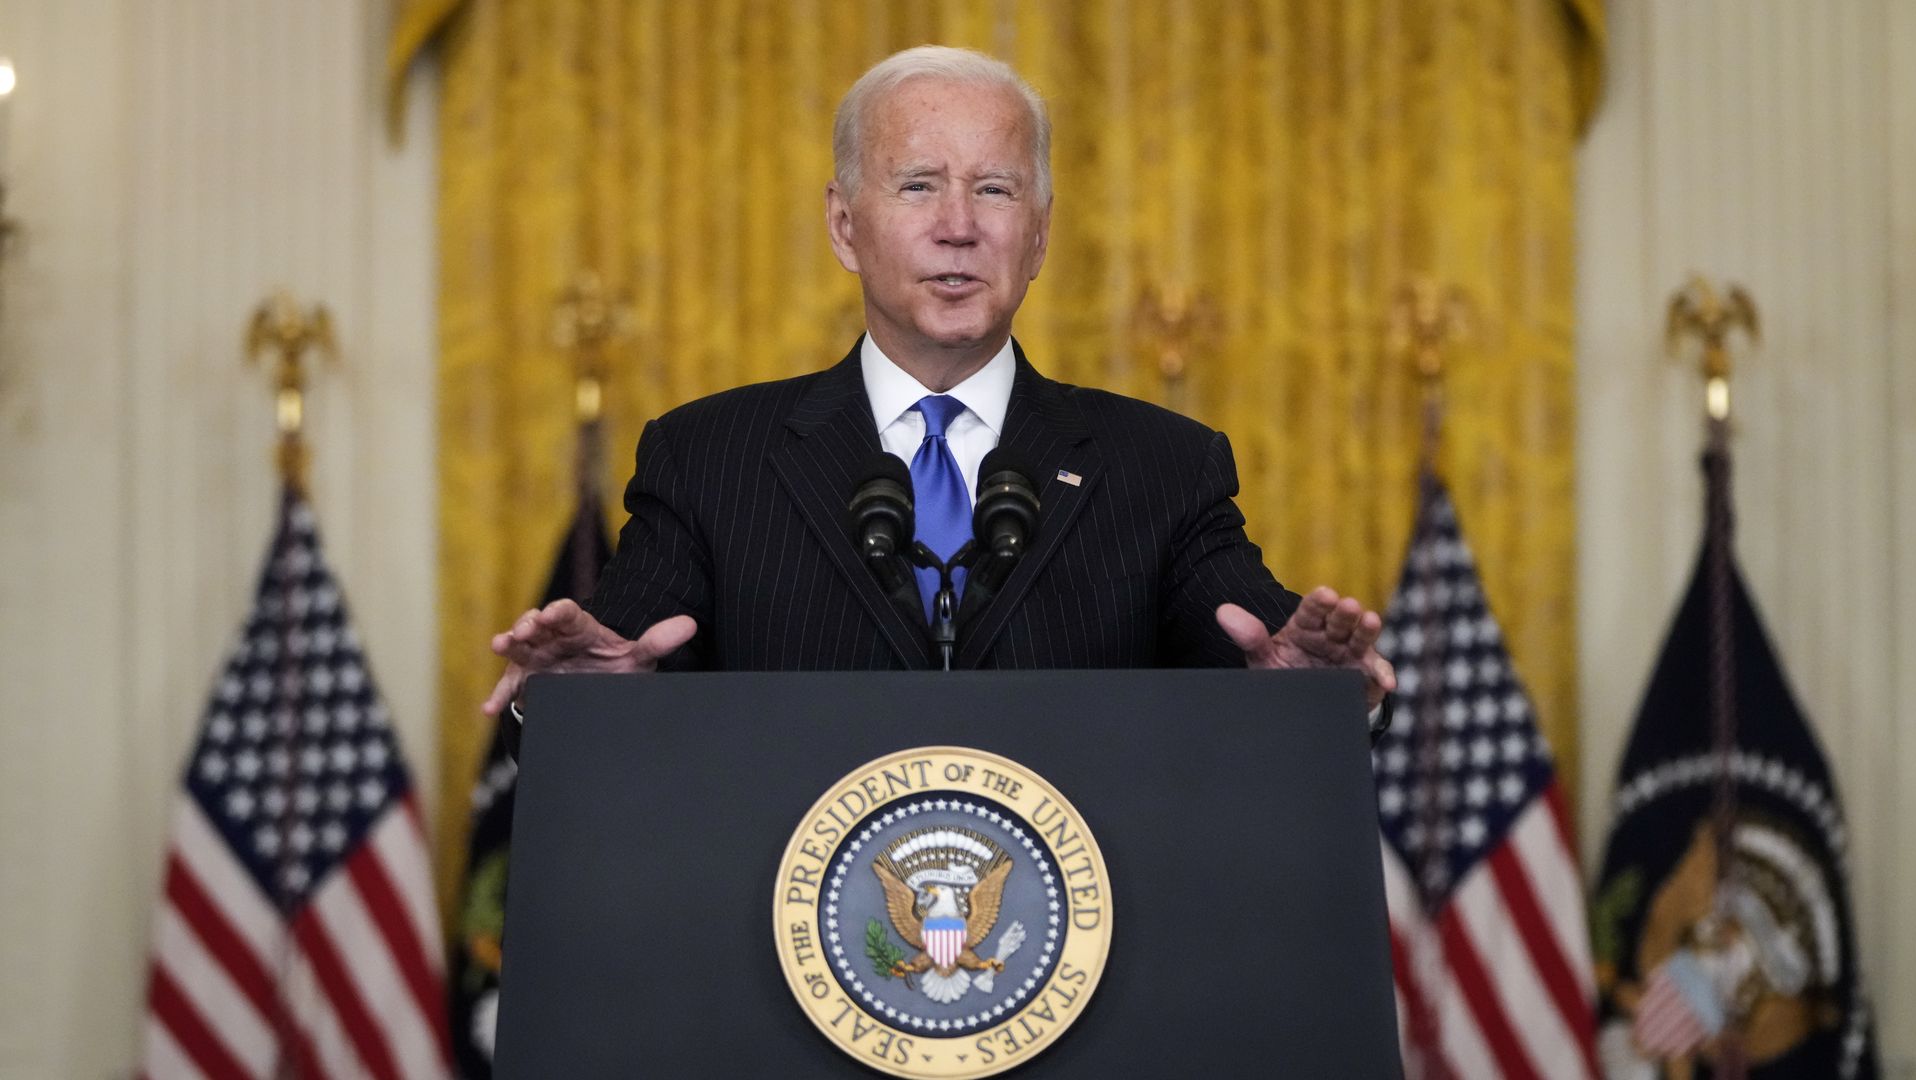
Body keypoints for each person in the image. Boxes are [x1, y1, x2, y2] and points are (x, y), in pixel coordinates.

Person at [484, 45, 1395, 718]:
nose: (959, 226)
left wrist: (1311, 698)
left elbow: (1265, 652)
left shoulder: (1163, 468)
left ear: (1038, 235)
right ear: (845, 227)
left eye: (996, 191)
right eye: (918, 186)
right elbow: (619, 659)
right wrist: (579, 700)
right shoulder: (709, 458)